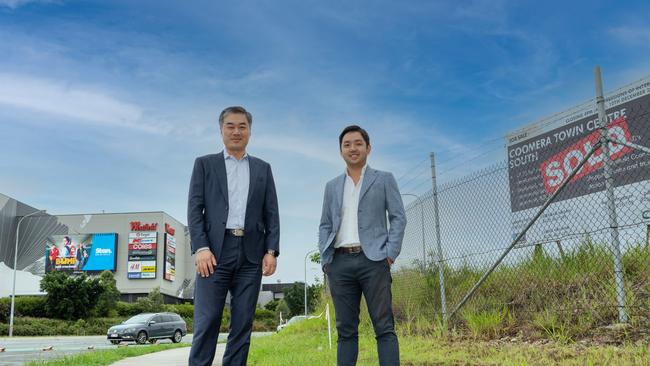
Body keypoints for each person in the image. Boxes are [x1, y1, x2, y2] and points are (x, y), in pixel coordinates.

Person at [188, 106, 280, 366]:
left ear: (250, 131)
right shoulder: (205, 164)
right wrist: (201, 247)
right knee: (207, 322)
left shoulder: (263, 168)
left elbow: (271, 212)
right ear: (221, 130)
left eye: (242, 126)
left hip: (251, 255)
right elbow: (195, 209)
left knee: (242, 325)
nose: (236, 131)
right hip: (214, 253)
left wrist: (271, 250)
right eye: (230, 126)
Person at [318, 125, 406, 366]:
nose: (352, 148)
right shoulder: (332, 186)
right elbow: (325, 224)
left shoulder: (384, 179)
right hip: (339, 262)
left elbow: (398, 217)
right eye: (347, 144)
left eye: (358, 143)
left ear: (368, 148)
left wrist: (390, 253)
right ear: (340, 151)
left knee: (384, 327)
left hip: (374, 261)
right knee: (345, 331)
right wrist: (327, 261)